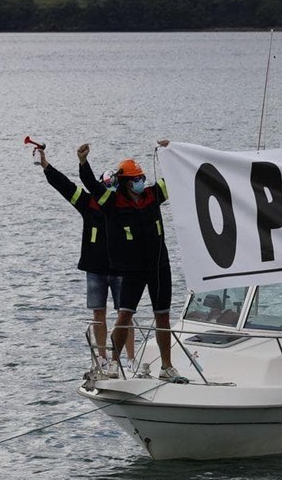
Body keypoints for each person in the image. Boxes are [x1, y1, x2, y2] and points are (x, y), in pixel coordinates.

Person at [78, 141, 184, 383]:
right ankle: (113, 364)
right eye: (136, 178)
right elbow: (93, 187)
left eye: (143, 176)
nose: (141, 181)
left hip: (159, 267)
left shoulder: (151, 196)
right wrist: (84, 163)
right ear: (125, 182)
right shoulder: (114, 204)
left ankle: (167, 367)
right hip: (132, 270)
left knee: (163, 316)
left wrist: (170, 152)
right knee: (124, 316)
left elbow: (175, 177)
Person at [38, 147, 132, 376]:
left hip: (122, 269)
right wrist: (46, 166)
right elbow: (64, 186)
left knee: (126, 314)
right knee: (98, 314)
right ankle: (101, 358)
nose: (108, 195)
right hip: (95, 269)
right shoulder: (88, 202)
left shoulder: (124, 205)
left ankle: (129, 359)